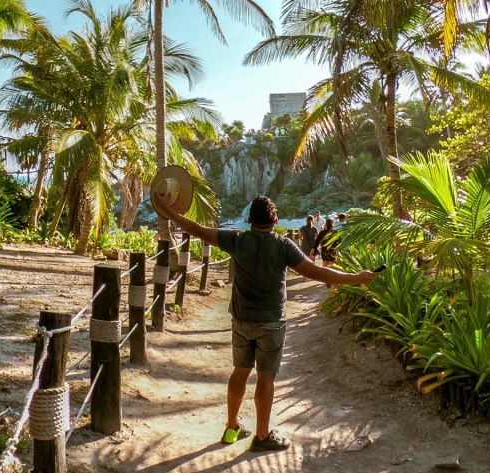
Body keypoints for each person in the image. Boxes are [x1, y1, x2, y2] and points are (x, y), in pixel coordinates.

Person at [152, 193, 377, 453]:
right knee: (266, 376)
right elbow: (316, 272)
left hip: (241, 319)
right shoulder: (283, 246)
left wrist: (167, 208)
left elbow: (195, 229)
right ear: (275, 220)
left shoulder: (236, 240)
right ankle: (261, 435)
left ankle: (231, 426)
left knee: (240, 370)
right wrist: (355, 278)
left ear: (249, 221)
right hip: (271, 321)